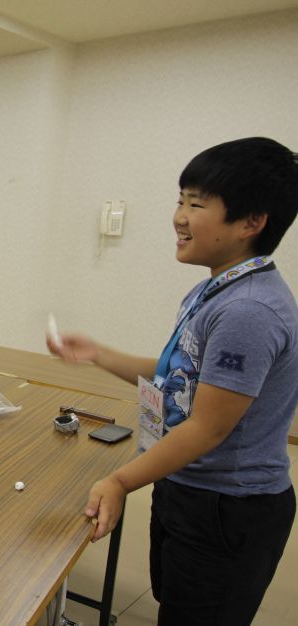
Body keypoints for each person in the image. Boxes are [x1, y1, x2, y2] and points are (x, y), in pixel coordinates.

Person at [48, 137, 298, 625]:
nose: (179, 216)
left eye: (197, 203)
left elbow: (208, 428)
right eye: (180, 199)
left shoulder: (248, 309)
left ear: (252, 222)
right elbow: (176, 377)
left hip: (228, 507)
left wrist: (121, 480)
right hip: (188, 486)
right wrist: (97, 354)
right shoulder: (216, 287)